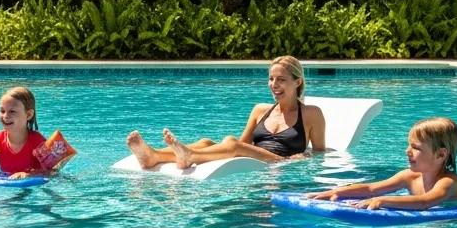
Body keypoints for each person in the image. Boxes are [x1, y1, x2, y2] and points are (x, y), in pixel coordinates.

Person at [126, 56, 325, 169]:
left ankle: (190, 156)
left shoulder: (311, 114)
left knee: (230, 143)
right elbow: (244, 144)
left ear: (297, 82)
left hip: (279, 161)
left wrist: (302, 157)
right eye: (271, 79)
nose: (274, 85)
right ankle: (154, 156)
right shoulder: (260, 110)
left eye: (281, 80)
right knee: (207, 142)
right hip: (254, 157)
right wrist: (224, 147)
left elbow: (319, 153)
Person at [307, 116, 457, 209]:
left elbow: (424, 202)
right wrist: (337, 192)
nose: (407, 151)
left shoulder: (449, 182)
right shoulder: (410, 176)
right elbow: (371, 188)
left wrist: (383, 200)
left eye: (415, 147)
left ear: (440, 154)